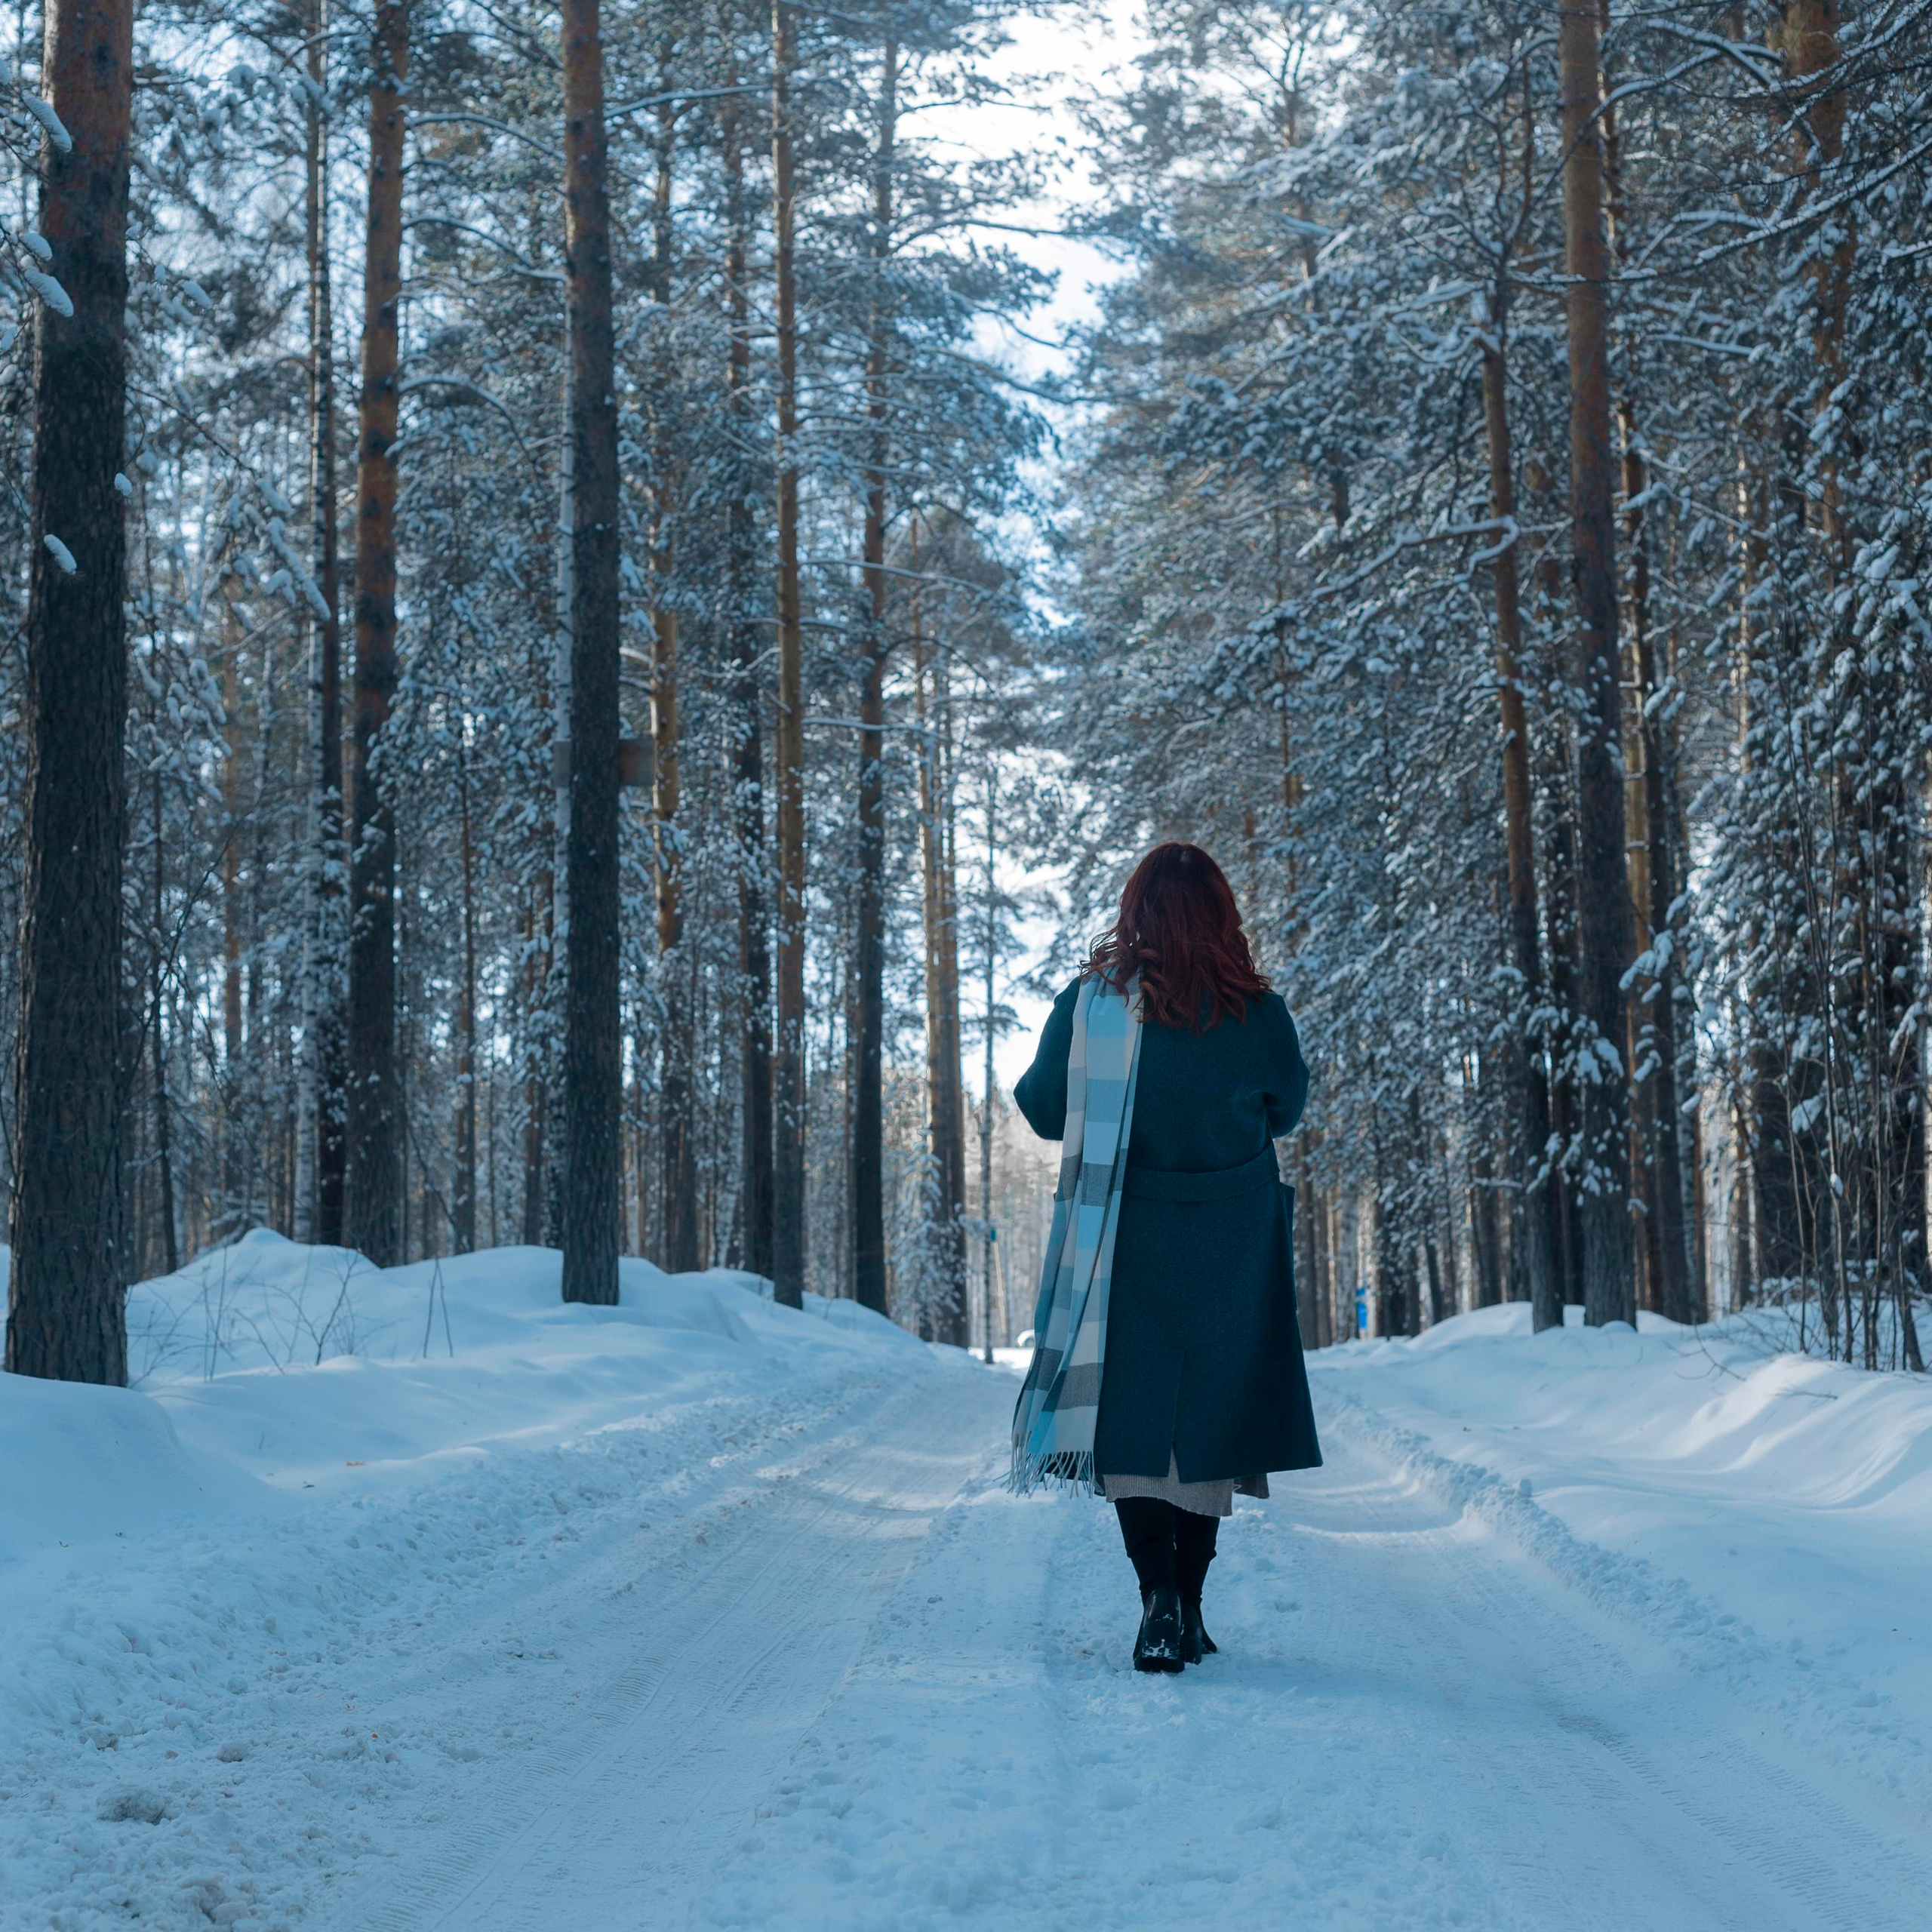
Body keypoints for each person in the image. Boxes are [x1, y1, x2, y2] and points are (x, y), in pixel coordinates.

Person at [1011, 841, 1320, 1673]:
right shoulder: (1258, 1013)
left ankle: (1158, 1598)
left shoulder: (1091, 1008)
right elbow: (1285, 1107)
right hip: (1229, 1239)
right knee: (1208, 1422)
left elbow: (1040, 1108)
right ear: (1222, 916)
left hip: (1125, 1236)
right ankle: (1190, 1603)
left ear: (1134, 912)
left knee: (1135, 1420)